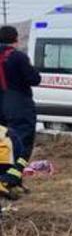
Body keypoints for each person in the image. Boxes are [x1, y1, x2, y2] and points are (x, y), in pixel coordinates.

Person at [0, 26, 41, 165]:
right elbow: (34, 79)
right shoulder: (18, 57)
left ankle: (3, 177)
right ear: (16, 39)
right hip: (19, 105)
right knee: (21, 142)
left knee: (2, 143)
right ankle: (12, 178)